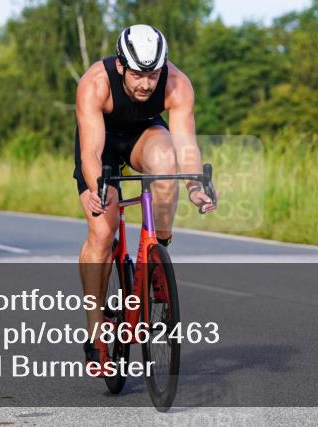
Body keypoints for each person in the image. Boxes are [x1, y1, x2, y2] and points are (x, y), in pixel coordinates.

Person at [73, 24, 216, 374]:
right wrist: (96, 189)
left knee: (167, 166)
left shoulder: (177, 84)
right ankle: (95, 329)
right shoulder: (95, 83)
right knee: (103, 232)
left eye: (153, 75)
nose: (146, 84)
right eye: (138, 74)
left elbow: (185, 144)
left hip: (144, 137)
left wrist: (195, 187)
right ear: (121, 66)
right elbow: (90, 151)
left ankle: (157, 250)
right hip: (101, 146)